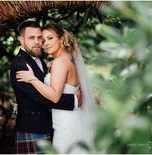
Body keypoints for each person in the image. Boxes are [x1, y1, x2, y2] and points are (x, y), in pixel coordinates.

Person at [16, 22, 96, 153]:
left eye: (50, 38)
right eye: (44, 40)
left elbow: (54, 96)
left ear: (61, 38)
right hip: (72, 119)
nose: (45, 43)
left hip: (66, 124)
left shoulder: (59, 62)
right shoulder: (69, 59)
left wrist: (32, 78)